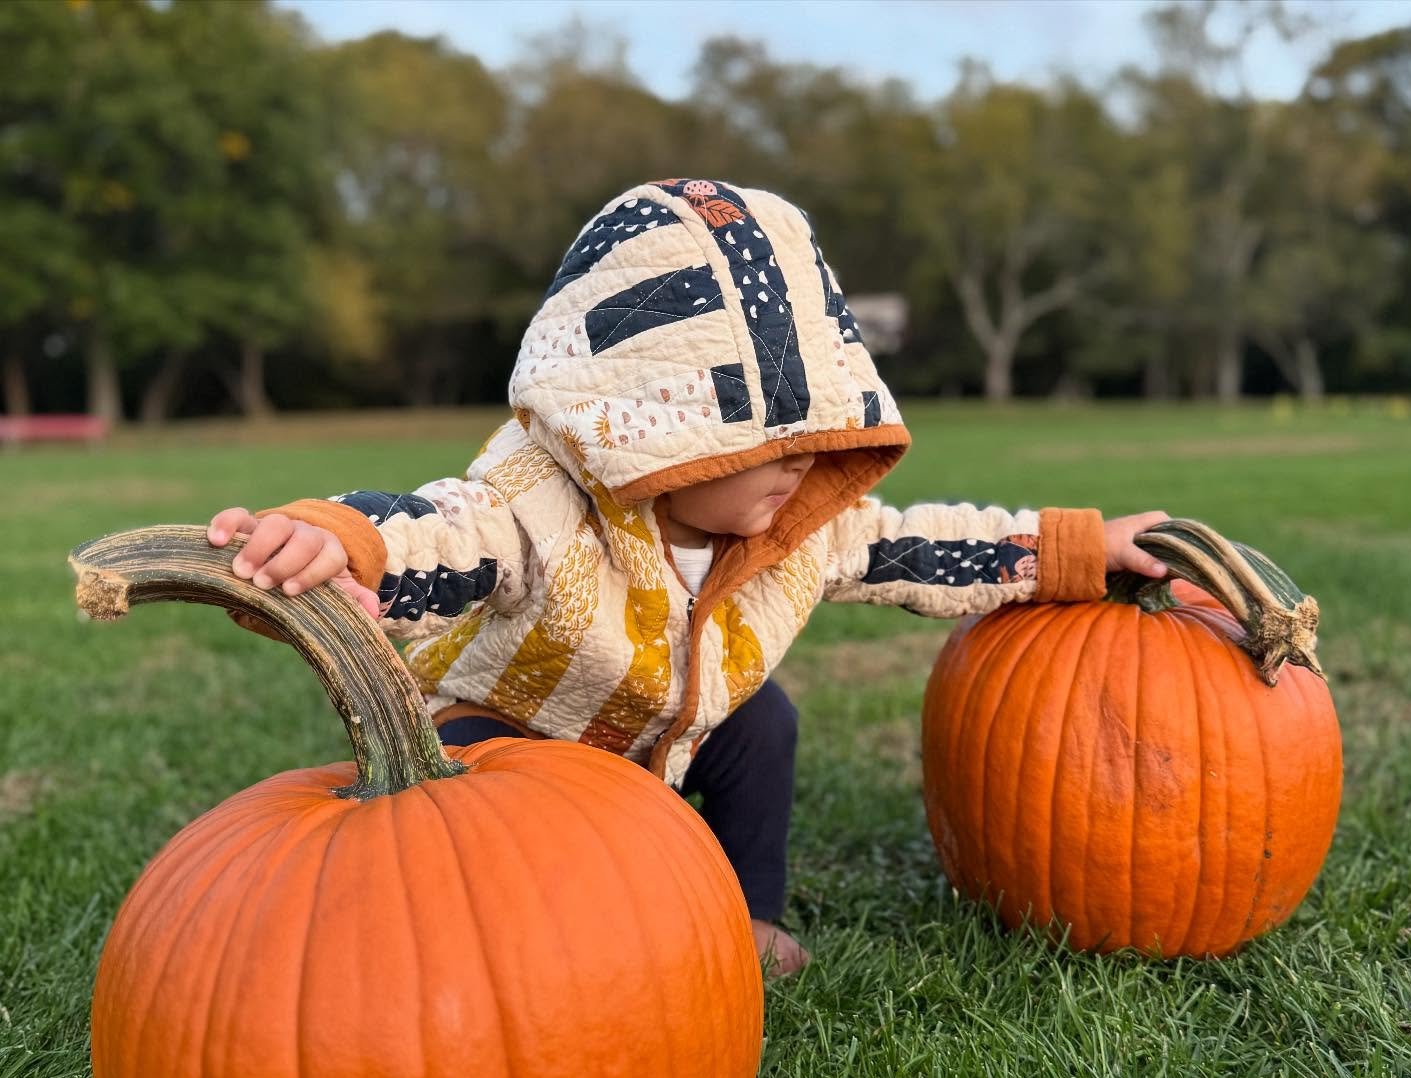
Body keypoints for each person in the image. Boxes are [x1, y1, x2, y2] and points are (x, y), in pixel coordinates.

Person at [207, 178, 1168, 975]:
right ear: (653, 425)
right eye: (762, 442)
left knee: (764, 722)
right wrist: (345, 540)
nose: (797, 465)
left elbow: (930, 547)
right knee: (473, 818)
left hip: (669, 733)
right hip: (513, 732)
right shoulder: (544, 505)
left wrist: (1078, 549)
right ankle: (535, 952)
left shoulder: (798, 527)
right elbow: (443, 530)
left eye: (813, 441)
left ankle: (749, 914)